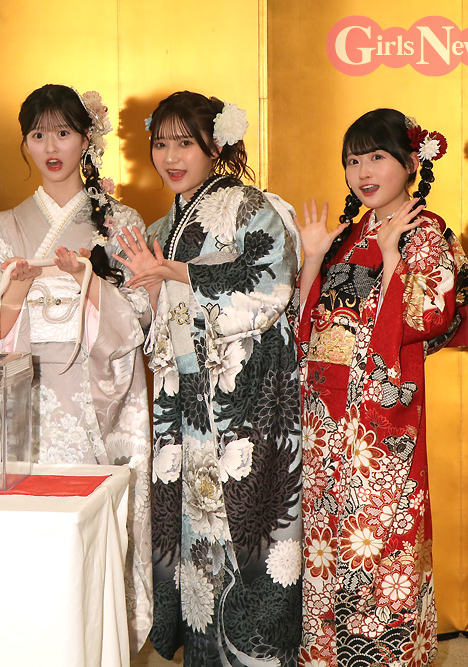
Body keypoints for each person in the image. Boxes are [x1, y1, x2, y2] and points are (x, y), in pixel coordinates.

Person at [296, 109, 468, 667]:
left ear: (409, 163)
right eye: (353, 160)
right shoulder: (349, 233)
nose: (363, 172)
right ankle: (326, 655)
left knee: (381, 541)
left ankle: (389, 658)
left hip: (380, 423)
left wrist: (391, 258)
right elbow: (306, 329)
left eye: (377, 157)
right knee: (326, 542)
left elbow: (427, 316)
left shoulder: (426, 231)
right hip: (324, 418)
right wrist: (313, 257)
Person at [118, 91, 302, 664]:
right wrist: (127, 284)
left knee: (246, 529)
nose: (171, 157)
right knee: (199, 541)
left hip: (242, 403)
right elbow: (147, 311)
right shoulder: (165, 223)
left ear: (215, 146)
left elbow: (272, 284)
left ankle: (257, 653)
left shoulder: (249, 207)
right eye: (161, 144)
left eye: (185, 143)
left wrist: (175, 272)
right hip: (187, 407)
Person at [0, 84, 153, 650]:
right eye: (38, 135)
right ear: (25, 143)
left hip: (93, 387)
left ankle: (94, 646)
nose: (51, 147)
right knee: (34, 526)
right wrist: (14, 294)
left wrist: (89, 284)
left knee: (90, 524)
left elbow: (141, 312)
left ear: (87, 139)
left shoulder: (120, 219)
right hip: (29, 387)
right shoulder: (5, 225)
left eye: (63, 132)